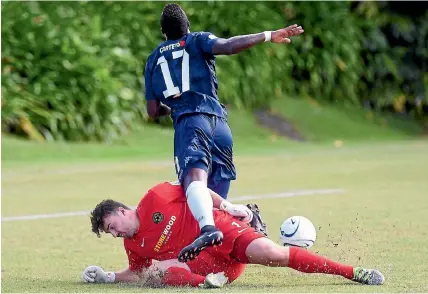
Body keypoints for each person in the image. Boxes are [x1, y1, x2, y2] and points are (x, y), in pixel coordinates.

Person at [144, 3, 305, 262]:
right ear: (188, 26)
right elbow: (229, 46)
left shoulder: (153, 59)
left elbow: (152, 110)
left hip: (191, 122)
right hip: (219, 124)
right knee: (218, 196)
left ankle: (208, 228)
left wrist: (173, 107)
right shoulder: (197, 40)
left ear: (163, 32)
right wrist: (268, 35)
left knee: (193, 181)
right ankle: (241, 227)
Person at [82, 181, 385, 288]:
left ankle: (352, 272)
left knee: (274, 255)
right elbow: (138, 273)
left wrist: (229, 205)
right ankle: (205, 286)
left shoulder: (156, 197)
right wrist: (107, 276)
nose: (114, 234)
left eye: (111, 227)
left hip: (221, 231)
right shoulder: (134, 246)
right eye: (109, 232)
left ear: (122, 212)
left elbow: (196, 189)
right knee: (157, 272)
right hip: (213, 270)